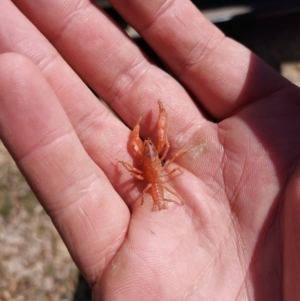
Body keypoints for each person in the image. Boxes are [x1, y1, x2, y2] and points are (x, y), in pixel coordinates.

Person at [0, 1, 299, 300]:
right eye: (148, 151)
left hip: (156, 185)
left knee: (164, 147)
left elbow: (140, 163)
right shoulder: (157, 159)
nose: (149, 149)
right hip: (158, 183)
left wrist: (140, 159)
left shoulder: (148, 167)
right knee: (167, 146)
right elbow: (155, 156)